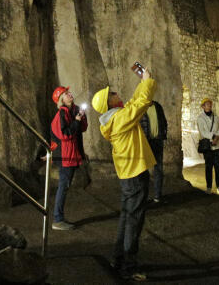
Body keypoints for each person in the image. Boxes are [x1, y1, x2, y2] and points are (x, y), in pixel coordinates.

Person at [91, 66, 157, 281]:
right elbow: (141, 104)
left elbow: (133, 103)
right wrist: (147, 82)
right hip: (135, 174)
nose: (117, 94)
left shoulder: (114, 118)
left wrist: (142, 83)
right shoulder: (119, 119)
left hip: (128, 174)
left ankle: (118, 259)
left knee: (126, 218)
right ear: (110, 103)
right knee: (133, 221)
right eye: (113, 94)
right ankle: (129, 266)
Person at [49, 85, 87, 230]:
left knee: (65, 186)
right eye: (65, 93)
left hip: (71, 155)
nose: (70, 94)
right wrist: (76, 121)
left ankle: (59, 218)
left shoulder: (73, 111)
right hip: (65, 157)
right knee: (63, 187)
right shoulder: (61, 115)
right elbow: (65, 135)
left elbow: (82, 129)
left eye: (69, 92)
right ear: (61, 99)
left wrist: (81, 118)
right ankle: (57, 220)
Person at [139, 99, 168, 203]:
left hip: (157, 141)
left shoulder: (157, 106)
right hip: (146, 142)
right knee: (143, 170)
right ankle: (143, 197)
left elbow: (163, 121)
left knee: (158, 169)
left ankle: (157, 196)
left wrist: (164, 133)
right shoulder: (140, 107)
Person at [196, 98, 219, 195]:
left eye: (210, 104)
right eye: (207, 104)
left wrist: (217, 137)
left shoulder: (216, 116)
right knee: (208, 167)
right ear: (203, 106)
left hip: (217, 146)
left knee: (217, 167)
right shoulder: (200, 118)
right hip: (208, 147)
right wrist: (213, 137)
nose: (209, 106)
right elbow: (203, 132)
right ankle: (209, 187)